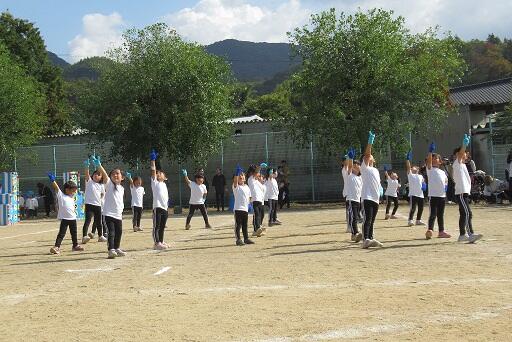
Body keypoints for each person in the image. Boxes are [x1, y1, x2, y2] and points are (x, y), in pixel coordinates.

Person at [92, 155, 127, 259]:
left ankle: (117, 248)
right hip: (108, 214)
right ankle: (111, 250)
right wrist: (99, 165)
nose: (115, 175)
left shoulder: (122, 188)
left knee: (119, 232)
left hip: (118, 215)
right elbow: (105, 175)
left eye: (118, 174)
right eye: (113, 174)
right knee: (111, 232)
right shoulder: (109, 185)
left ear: (122, 177)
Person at [453, 134, 483, 243]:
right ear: (458, 154)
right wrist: (464, 145)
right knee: (467, 213)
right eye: (464, 152)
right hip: (461, 192)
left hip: (464, 192)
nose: (466, 154)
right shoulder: (457, 163)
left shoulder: (463, 165)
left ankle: (462, 235)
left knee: (463, 213)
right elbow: (461, 154)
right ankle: (470, 234)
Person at [48, 172, 84, 255]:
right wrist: (52, 180)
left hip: (73, 218)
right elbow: (56, 188)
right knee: (61, 234)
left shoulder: (71, 197)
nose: (74, 192)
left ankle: (75, 245)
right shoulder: (61, 196)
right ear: (67, 189)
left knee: (74, 233)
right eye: (73, 191)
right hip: (65, 219)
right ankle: (56, 247)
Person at [361, 131, 383, 248]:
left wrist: (380, 191)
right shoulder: (364, 168)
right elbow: (367, 154)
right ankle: (365, 239)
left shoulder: (375, 170)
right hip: (367, 196)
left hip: (375, 198)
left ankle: (371, 237)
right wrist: (370, 142)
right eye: (369, 157)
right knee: (367, 219)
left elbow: (377, 183)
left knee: (372, 220)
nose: (371, 157)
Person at [426, 142, 451, 239]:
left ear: (440, 161)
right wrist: (430, 152)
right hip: (433, 195)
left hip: (442, 196)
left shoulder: (442, 172)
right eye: (432, 158)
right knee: (433, 213)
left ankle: (441, 231)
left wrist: (445, 188)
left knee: (440, 214)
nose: (433, 159)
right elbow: (428, 162)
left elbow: (446, 182)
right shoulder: (430, 169)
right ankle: (430, 230)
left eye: (436, 158)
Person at [82, 157, 106, 243]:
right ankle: (84, 236)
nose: (96, 175)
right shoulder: (89, 182)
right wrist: (86, 167)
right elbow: (87, 174)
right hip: (89, 205)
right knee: (87, 221)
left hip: (98, 205)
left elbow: (103, 194)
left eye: (98, 174)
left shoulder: (101, 185)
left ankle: (100, 236)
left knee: (98, 222)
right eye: (95, 174)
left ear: (101, 177)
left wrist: (99, 198)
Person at [150, 150, 170, 250]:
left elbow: (166, 196)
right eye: (157, 174)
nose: (158, 174)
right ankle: (156, 243)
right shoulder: (155, 183)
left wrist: (167, 205)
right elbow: (153, 170)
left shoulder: (164, 184)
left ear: (165, 177)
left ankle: (161, 241)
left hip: (164, 208)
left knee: (162, 227)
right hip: (157, 207)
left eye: (160, 173)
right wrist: (153, 160)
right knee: (156, 226)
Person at [232, 165, 255, 246]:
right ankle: (238, 239)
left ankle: (246, 238)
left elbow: (249, 197)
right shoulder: (236, 187)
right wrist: (236, 174)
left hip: (245, 209)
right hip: (238, 209)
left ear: (245, 177)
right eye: (240, 175)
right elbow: (235, 181)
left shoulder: (247, 187)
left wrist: (250, 205)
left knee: (245, 225)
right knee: (238, 225)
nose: (241, 176)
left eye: (242, 175)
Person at [345, 148, 363, 243]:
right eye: (355, 165)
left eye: (358, 164)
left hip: (358, 200)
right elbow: (350, 166)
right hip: (351, 200)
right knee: (354, 217)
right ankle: (355, 233)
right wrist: (350, 158)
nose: (356, 166)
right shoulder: (350, 175)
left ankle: (354, 234)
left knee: (357, 217)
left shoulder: (360, 177)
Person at [406, 151, 426, 226]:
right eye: (412, 167)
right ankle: (410, 220)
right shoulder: (410, 175)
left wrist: (424, 185)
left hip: (420, 194)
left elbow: (423, 182)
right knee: (413, 208)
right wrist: (407, 160)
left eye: (416, 167)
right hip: (413, 194)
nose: (414, 168)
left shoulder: (420, 176)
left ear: (418, 169)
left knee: (421, 208)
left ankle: (418, 220)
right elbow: (408, 167)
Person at [247, 164, 265, 237]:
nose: (259, 174)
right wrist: (259, 167)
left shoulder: (257, 181)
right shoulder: (250, 179)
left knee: (261, 214)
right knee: (256, 214)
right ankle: (256, 229)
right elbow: (255, 172)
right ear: (253, 173)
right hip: (254, 199)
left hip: (260, 200)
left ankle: (258, 228)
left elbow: (262, 189)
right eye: (257, 172)